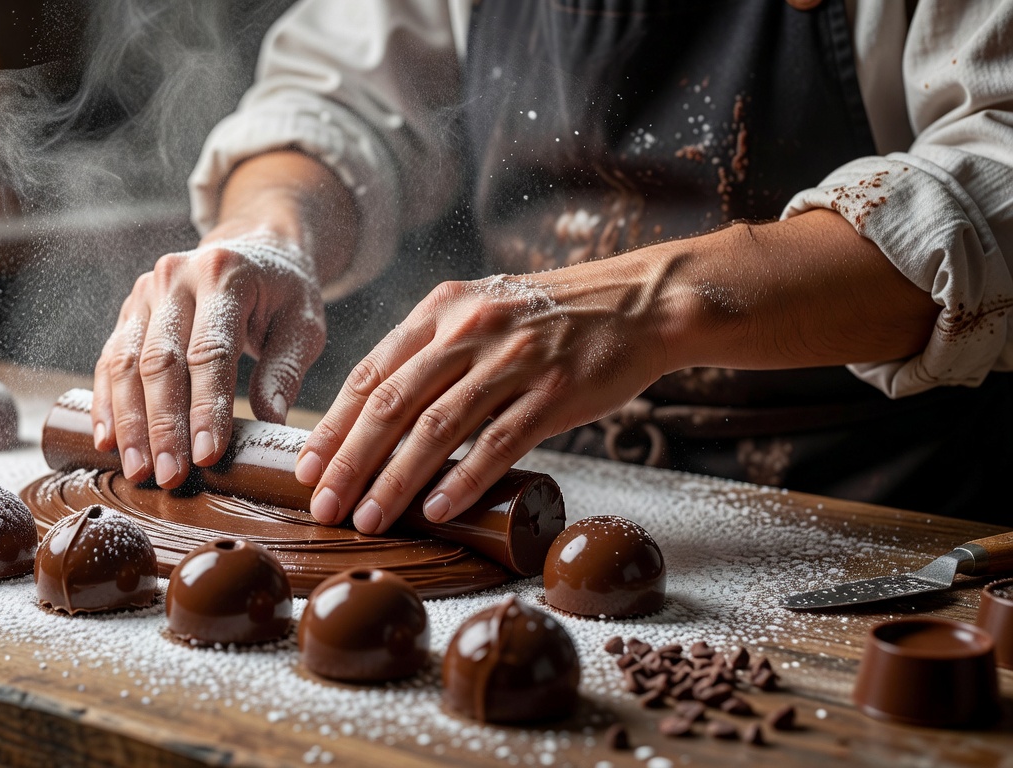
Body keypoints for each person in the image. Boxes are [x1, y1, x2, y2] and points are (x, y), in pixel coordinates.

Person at [91, 0, 1013, 530]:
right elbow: (338, 101)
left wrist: (648, 307)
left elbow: (996, 177)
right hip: (534, 500)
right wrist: (268, 230)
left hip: (880, 518)